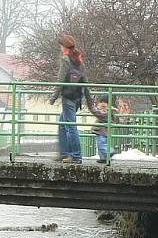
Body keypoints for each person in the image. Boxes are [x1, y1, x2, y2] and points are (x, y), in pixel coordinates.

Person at [49, 34, 94, 164]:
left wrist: (54, 96)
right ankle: (64, 153)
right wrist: (89, 99)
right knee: (63, 124)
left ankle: (76, 156)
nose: (60, 48)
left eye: (61, 46)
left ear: (64, 46)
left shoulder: (65, 59)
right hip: (77, 98)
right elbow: (85, 81)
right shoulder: (79, 59)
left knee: (70, 127)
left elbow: (61, 80)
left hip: (68, 97)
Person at [89, 95, 119, 164]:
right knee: (100, 146)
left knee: (102, 145)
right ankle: (104, 158)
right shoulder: (107, 112)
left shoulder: (106, 113)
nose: (103, 104)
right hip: (102, 132)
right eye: (101, 102)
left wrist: (92, 108)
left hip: (102, 132)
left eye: (105, 102)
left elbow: (97, 113)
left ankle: (110, 151)